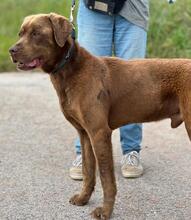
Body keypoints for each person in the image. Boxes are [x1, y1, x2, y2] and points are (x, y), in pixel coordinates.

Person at [69, 0, 149, 180]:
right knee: (87, 81)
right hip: (92, 8)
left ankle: (131, 151)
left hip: (133, 7)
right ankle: (85, 152)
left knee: (133, 81)